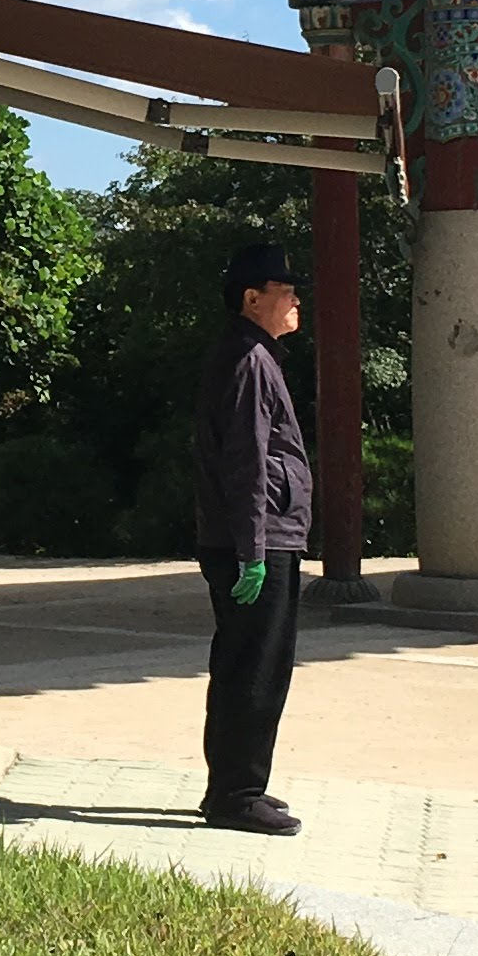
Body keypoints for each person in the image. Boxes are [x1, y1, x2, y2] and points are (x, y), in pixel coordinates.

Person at [191, 238, 312, 834]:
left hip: (261, 539)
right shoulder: (247, 361)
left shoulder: (258, 356)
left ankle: (239, 787)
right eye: (283, 290)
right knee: (253, 668)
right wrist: (252, 552)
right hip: (255, 544)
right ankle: (237, 796)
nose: (295, 300)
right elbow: (246, 461)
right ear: (251, 298)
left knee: (256, 663)